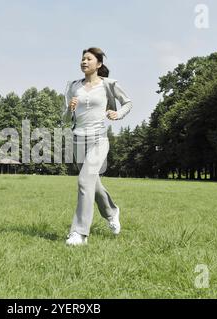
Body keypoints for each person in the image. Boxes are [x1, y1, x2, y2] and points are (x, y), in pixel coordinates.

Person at [62, 47, 133, 246]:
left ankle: (79, 233)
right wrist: (70, 109)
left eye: (89, 59)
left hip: (99, 140)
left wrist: (117, 114)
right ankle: (112, 212)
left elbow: (127, 103)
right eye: (82, 59)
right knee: (92, 183)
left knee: (84, 181)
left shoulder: (109, 85)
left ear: (98, 64)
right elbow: (65, 118)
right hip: (78, 140)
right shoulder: (73, 86)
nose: (84, 62)